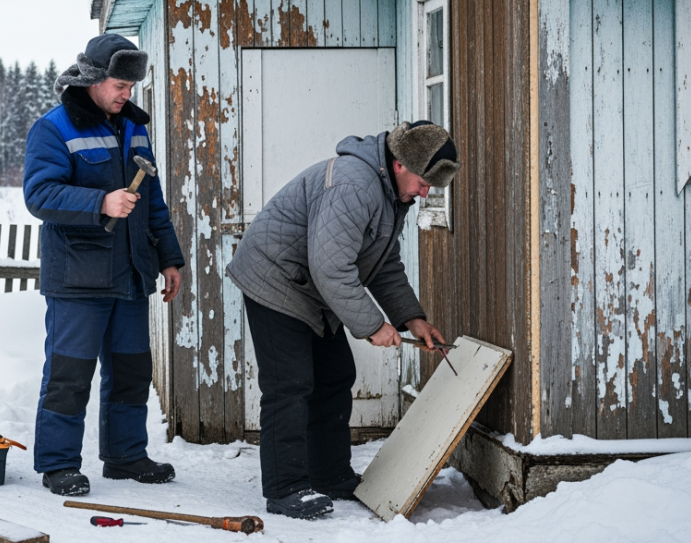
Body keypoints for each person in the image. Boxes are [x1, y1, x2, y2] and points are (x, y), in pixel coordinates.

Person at [225, 120, 461, 519]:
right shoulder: (355, 186)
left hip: (311, 287)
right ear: (401, 164)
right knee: (290, 384)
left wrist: (411, 318)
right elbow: (331, 267)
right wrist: (372, 325)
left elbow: (382, 262)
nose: (425, 194)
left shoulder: (390, 193)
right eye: (423, 183)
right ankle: (286, 488)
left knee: (334, 376)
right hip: (275, 279)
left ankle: (329, 474)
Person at [23, 33, 186, 497]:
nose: (126, 94)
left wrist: (169, 258)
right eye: (119, 85)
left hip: (132, 274)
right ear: (93, 79)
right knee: (69, 374)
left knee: (132, 371)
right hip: (77, 278)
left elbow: (151, 199)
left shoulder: (135, 127)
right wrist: (101, 202)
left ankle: (125, 455)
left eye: (131, 87)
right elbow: (40, 195)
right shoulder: (54, 128)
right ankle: (57, 464)